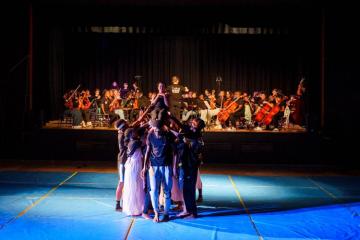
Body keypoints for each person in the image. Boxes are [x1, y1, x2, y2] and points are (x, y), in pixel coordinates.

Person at [141, 119, 174, 222]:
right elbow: (147, 151)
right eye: (155, 129)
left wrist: (173, 168)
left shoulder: (168, 136)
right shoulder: (150, 136)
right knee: (154, 191)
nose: (157, 131)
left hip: (166, 166)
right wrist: (144, 166)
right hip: (153, 166)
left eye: (159, 129)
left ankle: (166, 213)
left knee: (167, 191)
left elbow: (174, 152)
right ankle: (156, 213)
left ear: (162, 128)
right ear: (153, 129)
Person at [122, 127, 145, 216]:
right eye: (135, 132)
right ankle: (135, 208)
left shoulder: (130, 141)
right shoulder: (135, 142)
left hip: (133, 164)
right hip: (135, 166)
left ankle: (135, 208)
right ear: (131, 134)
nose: (137, 133)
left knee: (134, 186)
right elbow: (143, 141)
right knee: (135, 186)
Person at [114, 119, 128, 211]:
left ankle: (122, 202)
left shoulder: (121, 133)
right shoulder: (123, 135)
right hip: (123, 161)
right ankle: (118, 204)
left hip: (124, 160)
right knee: (122, 182)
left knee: (124, 182)